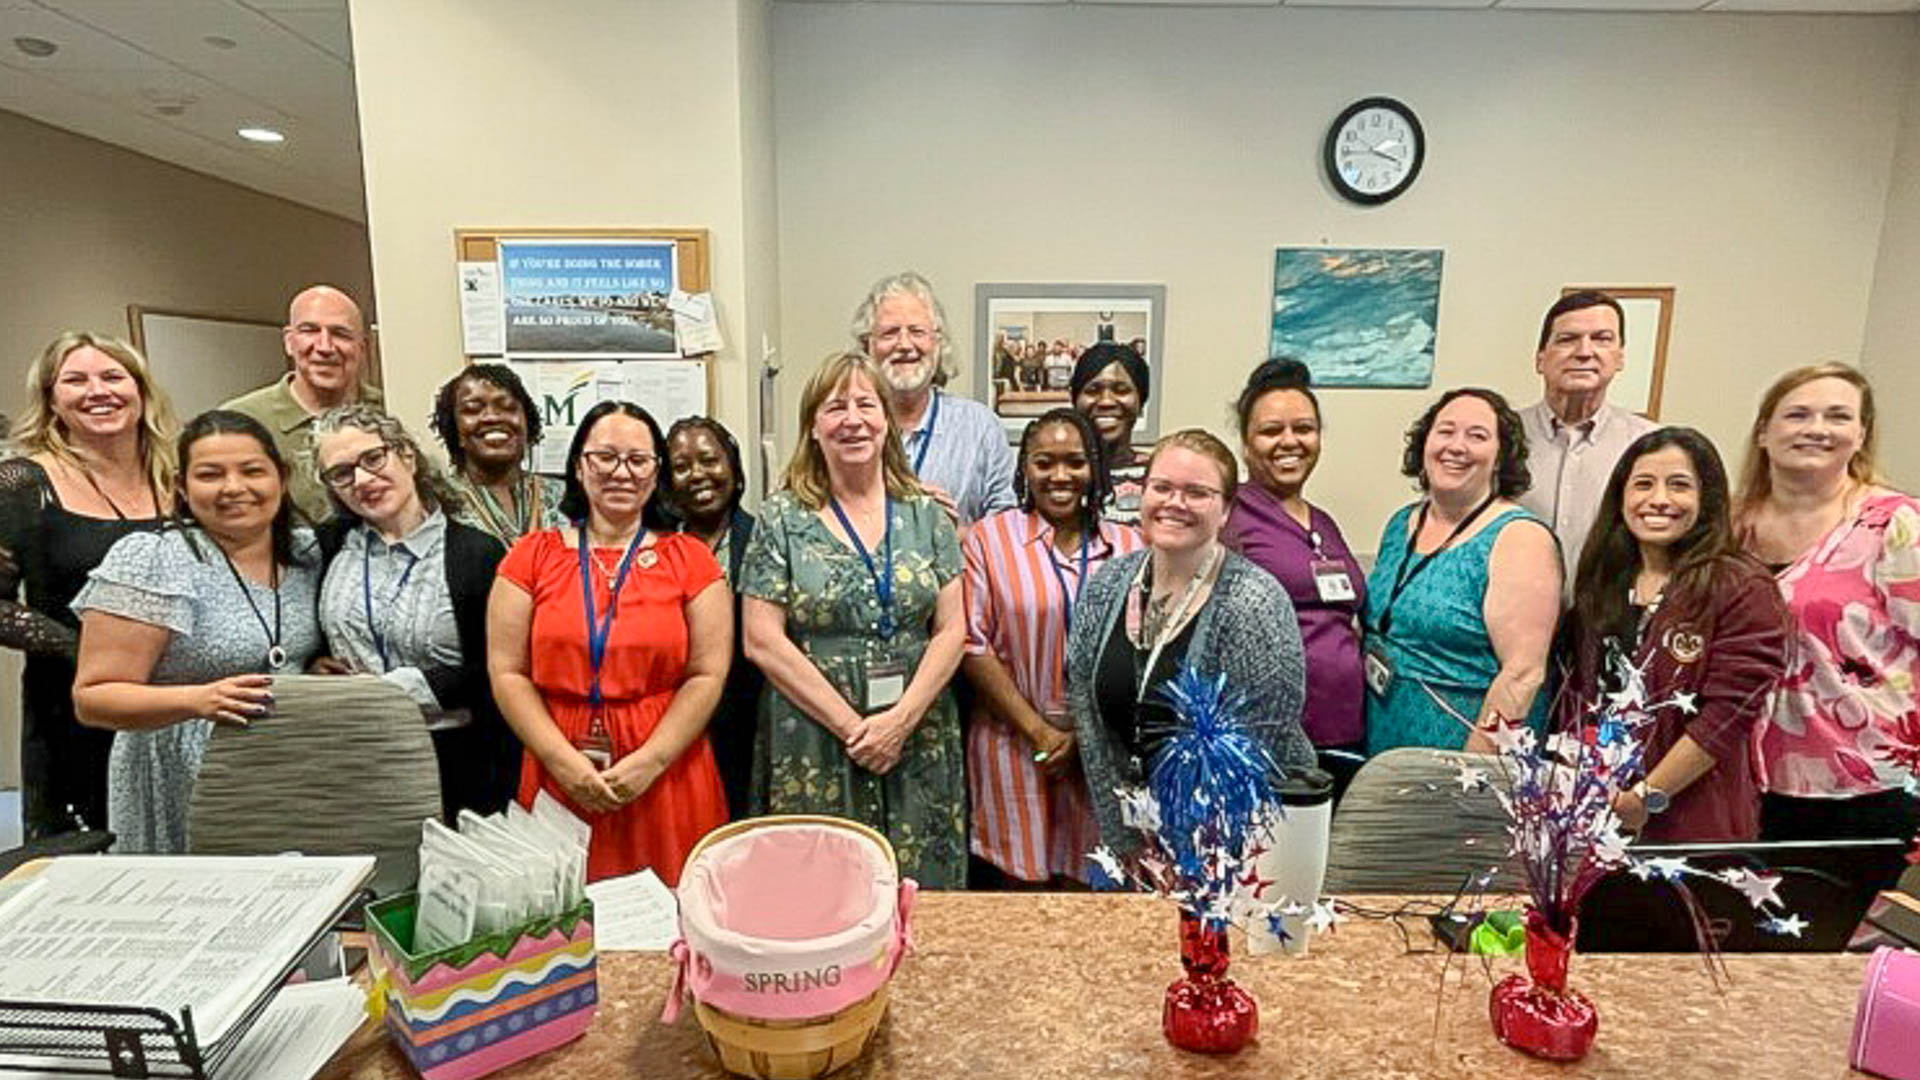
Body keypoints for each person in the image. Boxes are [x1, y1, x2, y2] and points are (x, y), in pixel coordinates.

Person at [740, 351, 968, 888]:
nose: (853, 419)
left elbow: (953, 629)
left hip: (918, 733)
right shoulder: (780, 518)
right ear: (813, 427)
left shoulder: (926, 514)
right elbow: (761, 640)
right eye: (835, 407)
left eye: (866, 404)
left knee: (921, 890)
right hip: (815, 736)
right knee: (819, 893)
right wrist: (855, 729)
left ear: (888, 420)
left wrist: (899, 723)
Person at [487, 401, 729, 885]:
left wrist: (650, 762)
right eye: (605, 457)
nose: (622, 472)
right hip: (559, 764)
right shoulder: (531, 557)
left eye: (638, 460)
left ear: (656, 472)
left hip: (666, 770)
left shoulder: (691, 560)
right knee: (563, 926)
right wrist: (561, 762)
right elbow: (506, 670)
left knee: (674, 918)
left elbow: (708, 673)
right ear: (579, 466)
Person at [70, 410, 323, 853]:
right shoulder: (152, 559)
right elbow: (93, 698)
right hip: (181, 775)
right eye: (210, 474)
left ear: (281, 479)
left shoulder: (306, 553)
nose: (233, 488)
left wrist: (314, 665)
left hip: (285, 767)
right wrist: (197, 699)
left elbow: (280, 650)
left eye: (252, 471)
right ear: (182, 487)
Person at [1067, 428, 1317, 854]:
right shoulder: (1106, 585)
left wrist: (1188, 853)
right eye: (1161, 487)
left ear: (1225, 511)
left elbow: (1259, 747)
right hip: (1132, 835)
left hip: (1239, 841)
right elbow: (1090, 723)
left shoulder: (1253, 603)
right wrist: (1125, 841)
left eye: (1197, 493)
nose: (1174, 503)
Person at [1563, 428, 1788, 842]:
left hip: (1688, 819)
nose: (1660, 500)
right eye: (1643, 484)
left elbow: (1728, 715)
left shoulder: (1740, 585)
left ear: (1708, 498)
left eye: (1679, 485)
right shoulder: (1605, 580)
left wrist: (1646, 798)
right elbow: (1579, 693)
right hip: (1593, 807)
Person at [0, 333, 178, 838]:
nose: (97, 391)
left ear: (141, 391)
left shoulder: (182, 475)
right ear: (52, 400)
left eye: (113, 376)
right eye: (75, 380)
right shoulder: (21, 484)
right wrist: (89, 651)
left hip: (179, 701)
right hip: (76, 713)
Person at [1736, 364, 1920, 843]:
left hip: (1861, 786)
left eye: (1837, 417)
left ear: (1860, 435)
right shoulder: (1728, 526)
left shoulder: (1894, 525)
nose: (1816, 429)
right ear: (1763, 432)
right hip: (1734, 778)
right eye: (1797, 414)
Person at [310, 405, 517, 820]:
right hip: (354, 756)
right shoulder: (327, 545)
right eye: (342, 473)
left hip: (455, 762)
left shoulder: (476, 553)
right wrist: (314, 663)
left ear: (406, 455)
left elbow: (496, 671)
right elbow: (306, 634)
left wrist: (394, 689)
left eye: (373, 458)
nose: (363, 480)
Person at [963, 408, 1143, 885]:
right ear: (1025, 468)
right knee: (1019, 892)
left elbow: (1142, 650)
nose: (1060, 476)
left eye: (1075, 462)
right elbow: (972, 643)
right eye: (1044, 463)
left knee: (1088, 889)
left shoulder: (1129, 547)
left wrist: (1083, 736)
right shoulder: (990, 540)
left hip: (1101, 751)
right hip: (1011, 741)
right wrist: (1039, 733)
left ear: (1095, 469)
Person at [1364, 388, 1562, 755]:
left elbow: (1523, 674)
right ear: (1425, 444)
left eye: (1477, 436)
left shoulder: (1519, 539)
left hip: (1463, 757)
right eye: (1446, 431)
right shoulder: (1401, 523)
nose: (1457, 446)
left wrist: (1472, 772)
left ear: (1501, 457)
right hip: (1385, 738)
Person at [1221, 359, 1368, 775]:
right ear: (1247, 445)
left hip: (1345, 730)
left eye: (1303, 428)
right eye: (1271, 431)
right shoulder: (1228, 516)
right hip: (1269, 737)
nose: (1290, 441)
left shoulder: (1323, 521)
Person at [852, 271, 1015, 528]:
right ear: (866, 347)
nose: (904, 345)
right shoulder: (847, 427)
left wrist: (952, 535)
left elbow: (1008, 529)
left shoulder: (981, 427)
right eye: (890, 333)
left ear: (938, 344)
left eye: (917, 332)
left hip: (956, 567)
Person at [1517, 291, 1657, 585]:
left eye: (1602, 339)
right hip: (1507, 617)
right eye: (1567, 339)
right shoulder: (1500, 437)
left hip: (1608, 619)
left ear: (1620, 357)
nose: (1584, 351)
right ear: (1540, 359)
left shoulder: (1649, 445)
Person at [665, 415, 762, 819]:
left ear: (734, 470)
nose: (698, 475)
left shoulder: (764, 540)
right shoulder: (656, 548)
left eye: (709, 460)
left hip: (752, 726)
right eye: (682, 467)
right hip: (677, 726)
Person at [223, 284, 383, 525]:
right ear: (289, 341)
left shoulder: (389, 411)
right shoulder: (238, 422)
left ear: (362, 348)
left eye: (340, 333)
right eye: (310, 331)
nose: (325, 347)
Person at [431, 363, 567, 545]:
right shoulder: (437, 501)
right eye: (473, 409)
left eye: (508, 407)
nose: (492, 417)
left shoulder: (566, 497)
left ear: (527, 422)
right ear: (454, 430)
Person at [1070, 341, 1152, 526]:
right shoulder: (1057, 472)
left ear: (1141, 402)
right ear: (1075, 401)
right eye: (1093, 390)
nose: (1106, 401)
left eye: (1121, 390)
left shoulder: (1161, 475)